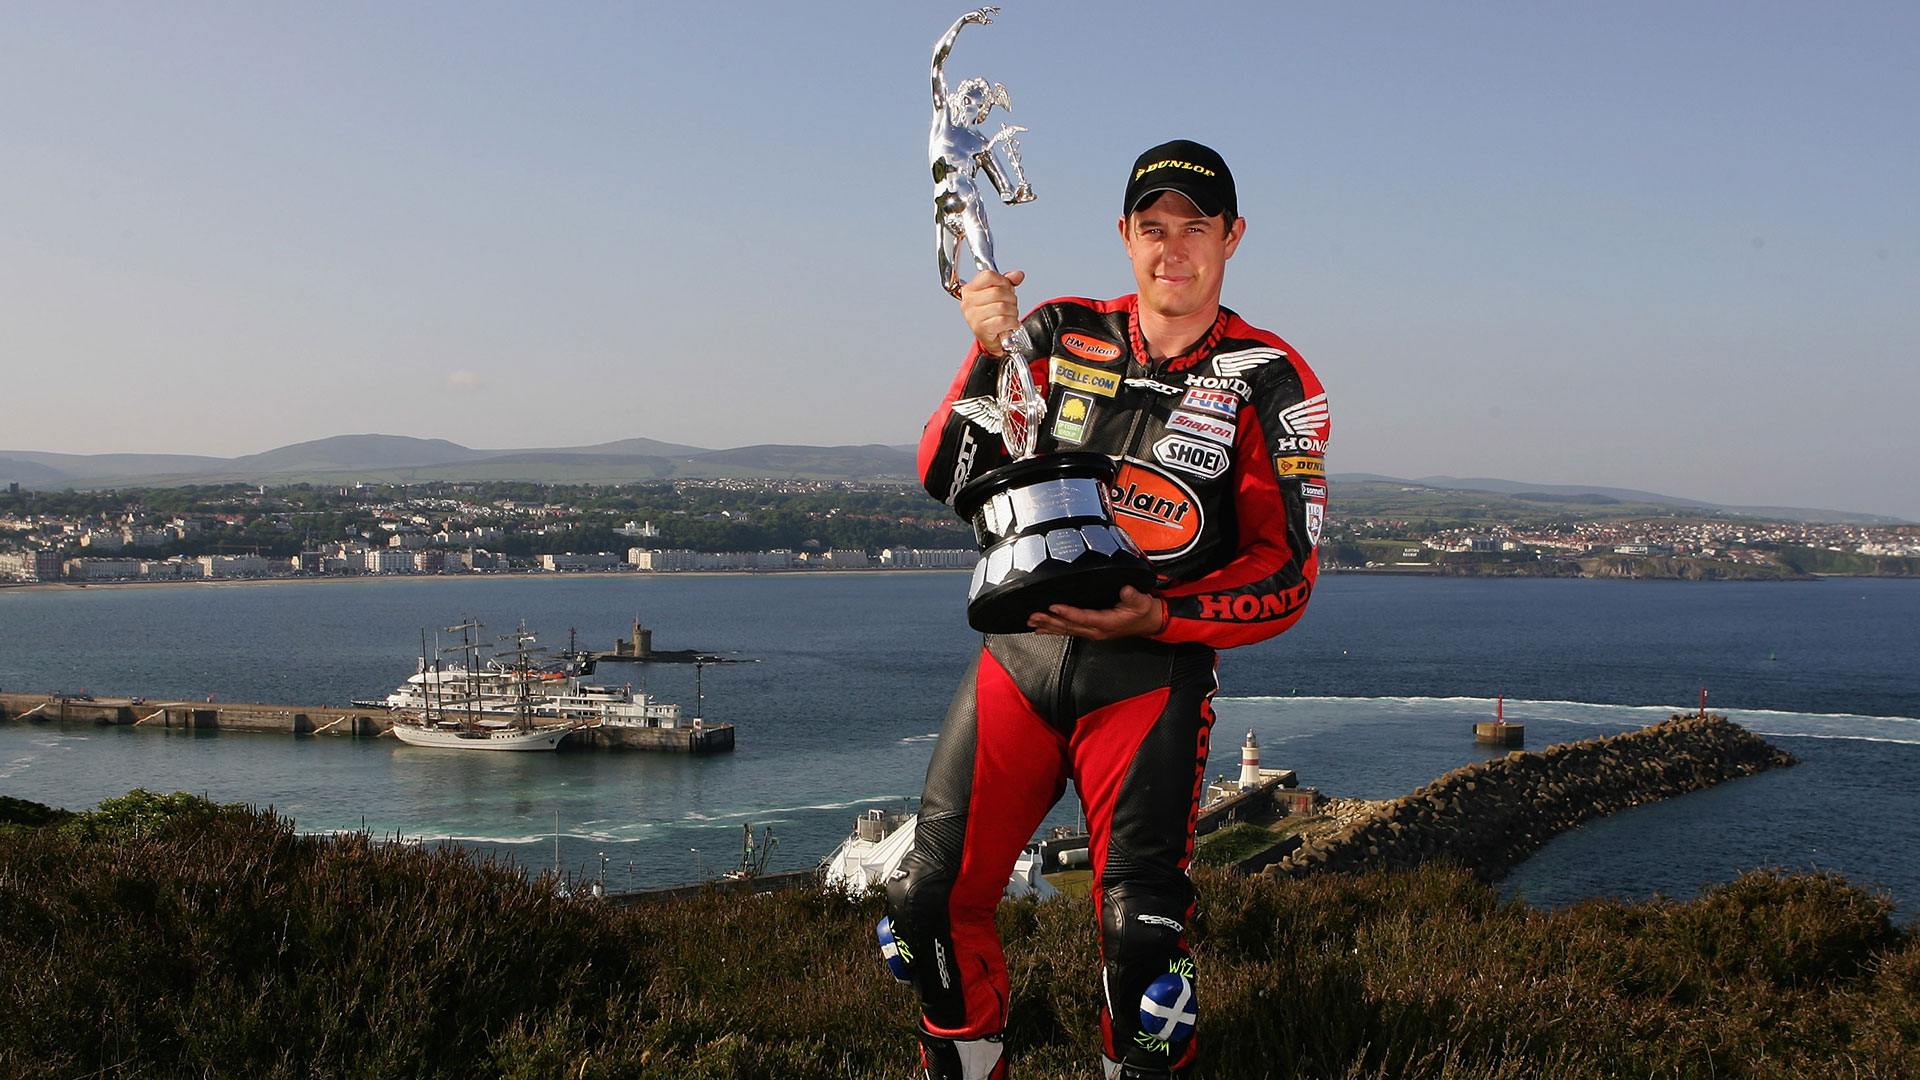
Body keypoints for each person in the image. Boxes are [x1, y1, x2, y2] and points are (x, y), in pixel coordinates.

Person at [885, 140, 1331, 1080]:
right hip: (1019, 660)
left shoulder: (1269, 376)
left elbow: (1287, 571)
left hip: (1148, 676)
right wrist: (985, 349)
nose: (1173, 248)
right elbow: (945, 475)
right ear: (1125, 235)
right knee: (926, 901)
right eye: (1153, 227)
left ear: (1232, 237)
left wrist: (1161, 621)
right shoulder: (1059, 330)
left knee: (1142, 943)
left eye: (1195, 228)